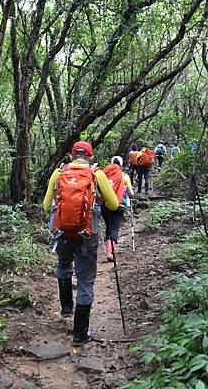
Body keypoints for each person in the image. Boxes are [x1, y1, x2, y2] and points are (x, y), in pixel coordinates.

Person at [43, 141, 119, 346]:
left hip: (62, 233)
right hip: (87, 233)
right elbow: (113, 204)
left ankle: (66, 307)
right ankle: (80, 333)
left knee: (63, 264)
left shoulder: (58, 173)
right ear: (91, 157)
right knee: (85, 279)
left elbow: (45, 206)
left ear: (71, 157)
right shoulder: (97, 174)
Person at [102, 156, 134, 262]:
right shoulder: (124, 176)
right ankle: (111, 251)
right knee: (114, 227)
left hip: (105, 204)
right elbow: (131, 193)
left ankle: (109, 249)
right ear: (121, 165)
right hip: (120, 204)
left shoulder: (103, 174)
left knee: (109, 225)